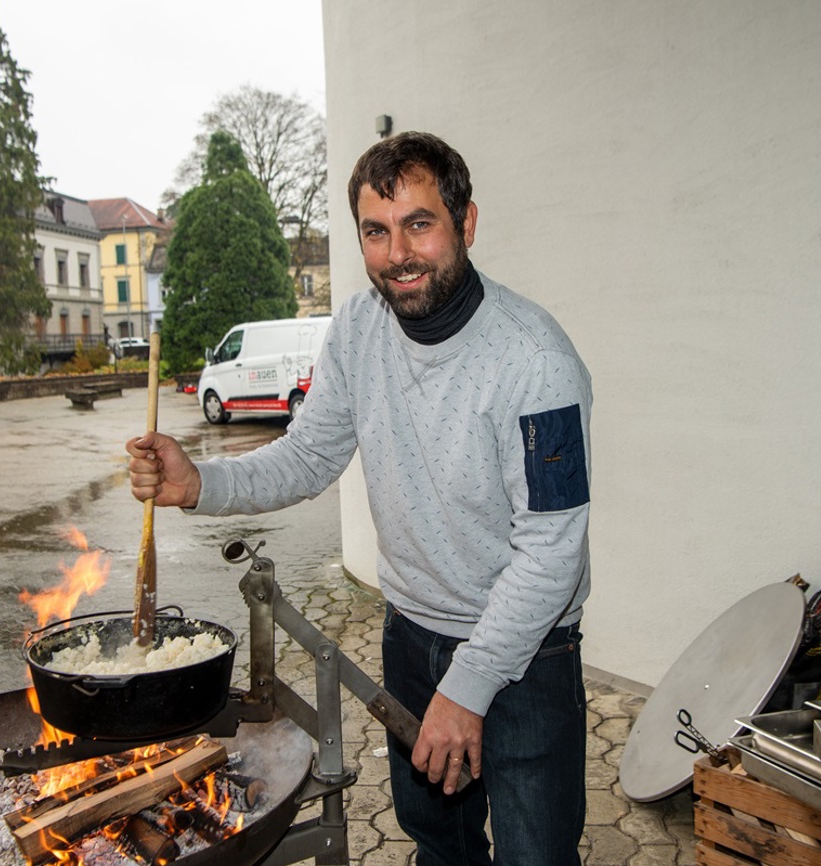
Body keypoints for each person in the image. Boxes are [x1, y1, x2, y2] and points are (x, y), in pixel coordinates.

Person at [126, 131, 592, 866]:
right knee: (439, 843)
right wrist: (200, 484)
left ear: (465, 224)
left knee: (535, 855)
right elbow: (310, 456)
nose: (397, 253)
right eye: (376, 231)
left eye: (420, 223)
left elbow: (552, 551)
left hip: (527, 657)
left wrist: (469, 689)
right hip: (411, 636)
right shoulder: (357, 330)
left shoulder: (536, 361)